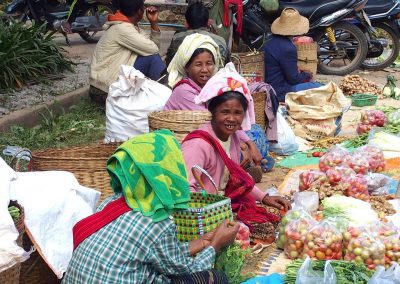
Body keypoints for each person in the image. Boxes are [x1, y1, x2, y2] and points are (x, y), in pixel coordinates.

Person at [62, 130, 239, 283]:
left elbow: (157, 252)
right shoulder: (157, 221)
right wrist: (215, 244)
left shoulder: (111, 204)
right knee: (215, 278)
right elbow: (188, 270)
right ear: (168, 173)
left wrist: (202, 242)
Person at [181, 66, 291, 243]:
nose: (231, 119)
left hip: (222, 204)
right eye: (224, 112)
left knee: (275, 221)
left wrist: (265, 197)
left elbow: (236, 178)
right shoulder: (198, 144)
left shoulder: (232, 139)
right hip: (200, 216)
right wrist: (213, 219)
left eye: (237, 113)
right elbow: (186, 191)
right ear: (212, 112)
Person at [165, 33, 263, 175]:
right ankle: (244, 168)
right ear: (187, 67)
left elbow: (228, 117)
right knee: (241, 143)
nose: (205, 70)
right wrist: (242, 145)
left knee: (256, 132)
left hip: (212, 134)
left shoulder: (209, 88)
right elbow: (211, 123)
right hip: (191, 144)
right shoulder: (183, 91)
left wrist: (249, 143)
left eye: (209, 63)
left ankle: (248, 165)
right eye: (198, 64)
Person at [89, 0, 166, 94]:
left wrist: (153, 24)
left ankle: (161, 91)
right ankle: (164, 92)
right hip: (105, 83)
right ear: (139, 11)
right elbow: (153, 50)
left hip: (112, 73)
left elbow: (153, 47)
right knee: (153, 59)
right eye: (143, 7)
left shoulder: (129, 25)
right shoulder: (122, 28)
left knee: (151, 57)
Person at [264, 8, 322, 102]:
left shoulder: (269, 41)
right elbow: (293, 79)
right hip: (280, 92)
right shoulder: (288, 48)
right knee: (320, 87)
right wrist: (306, 75)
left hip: (271, 87)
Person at [165, 1, 228, 66]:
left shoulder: (177, 38)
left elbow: (169, 63)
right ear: (209, 22)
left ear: (186, 23)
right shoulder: (221, 41)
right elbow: (226, 66)